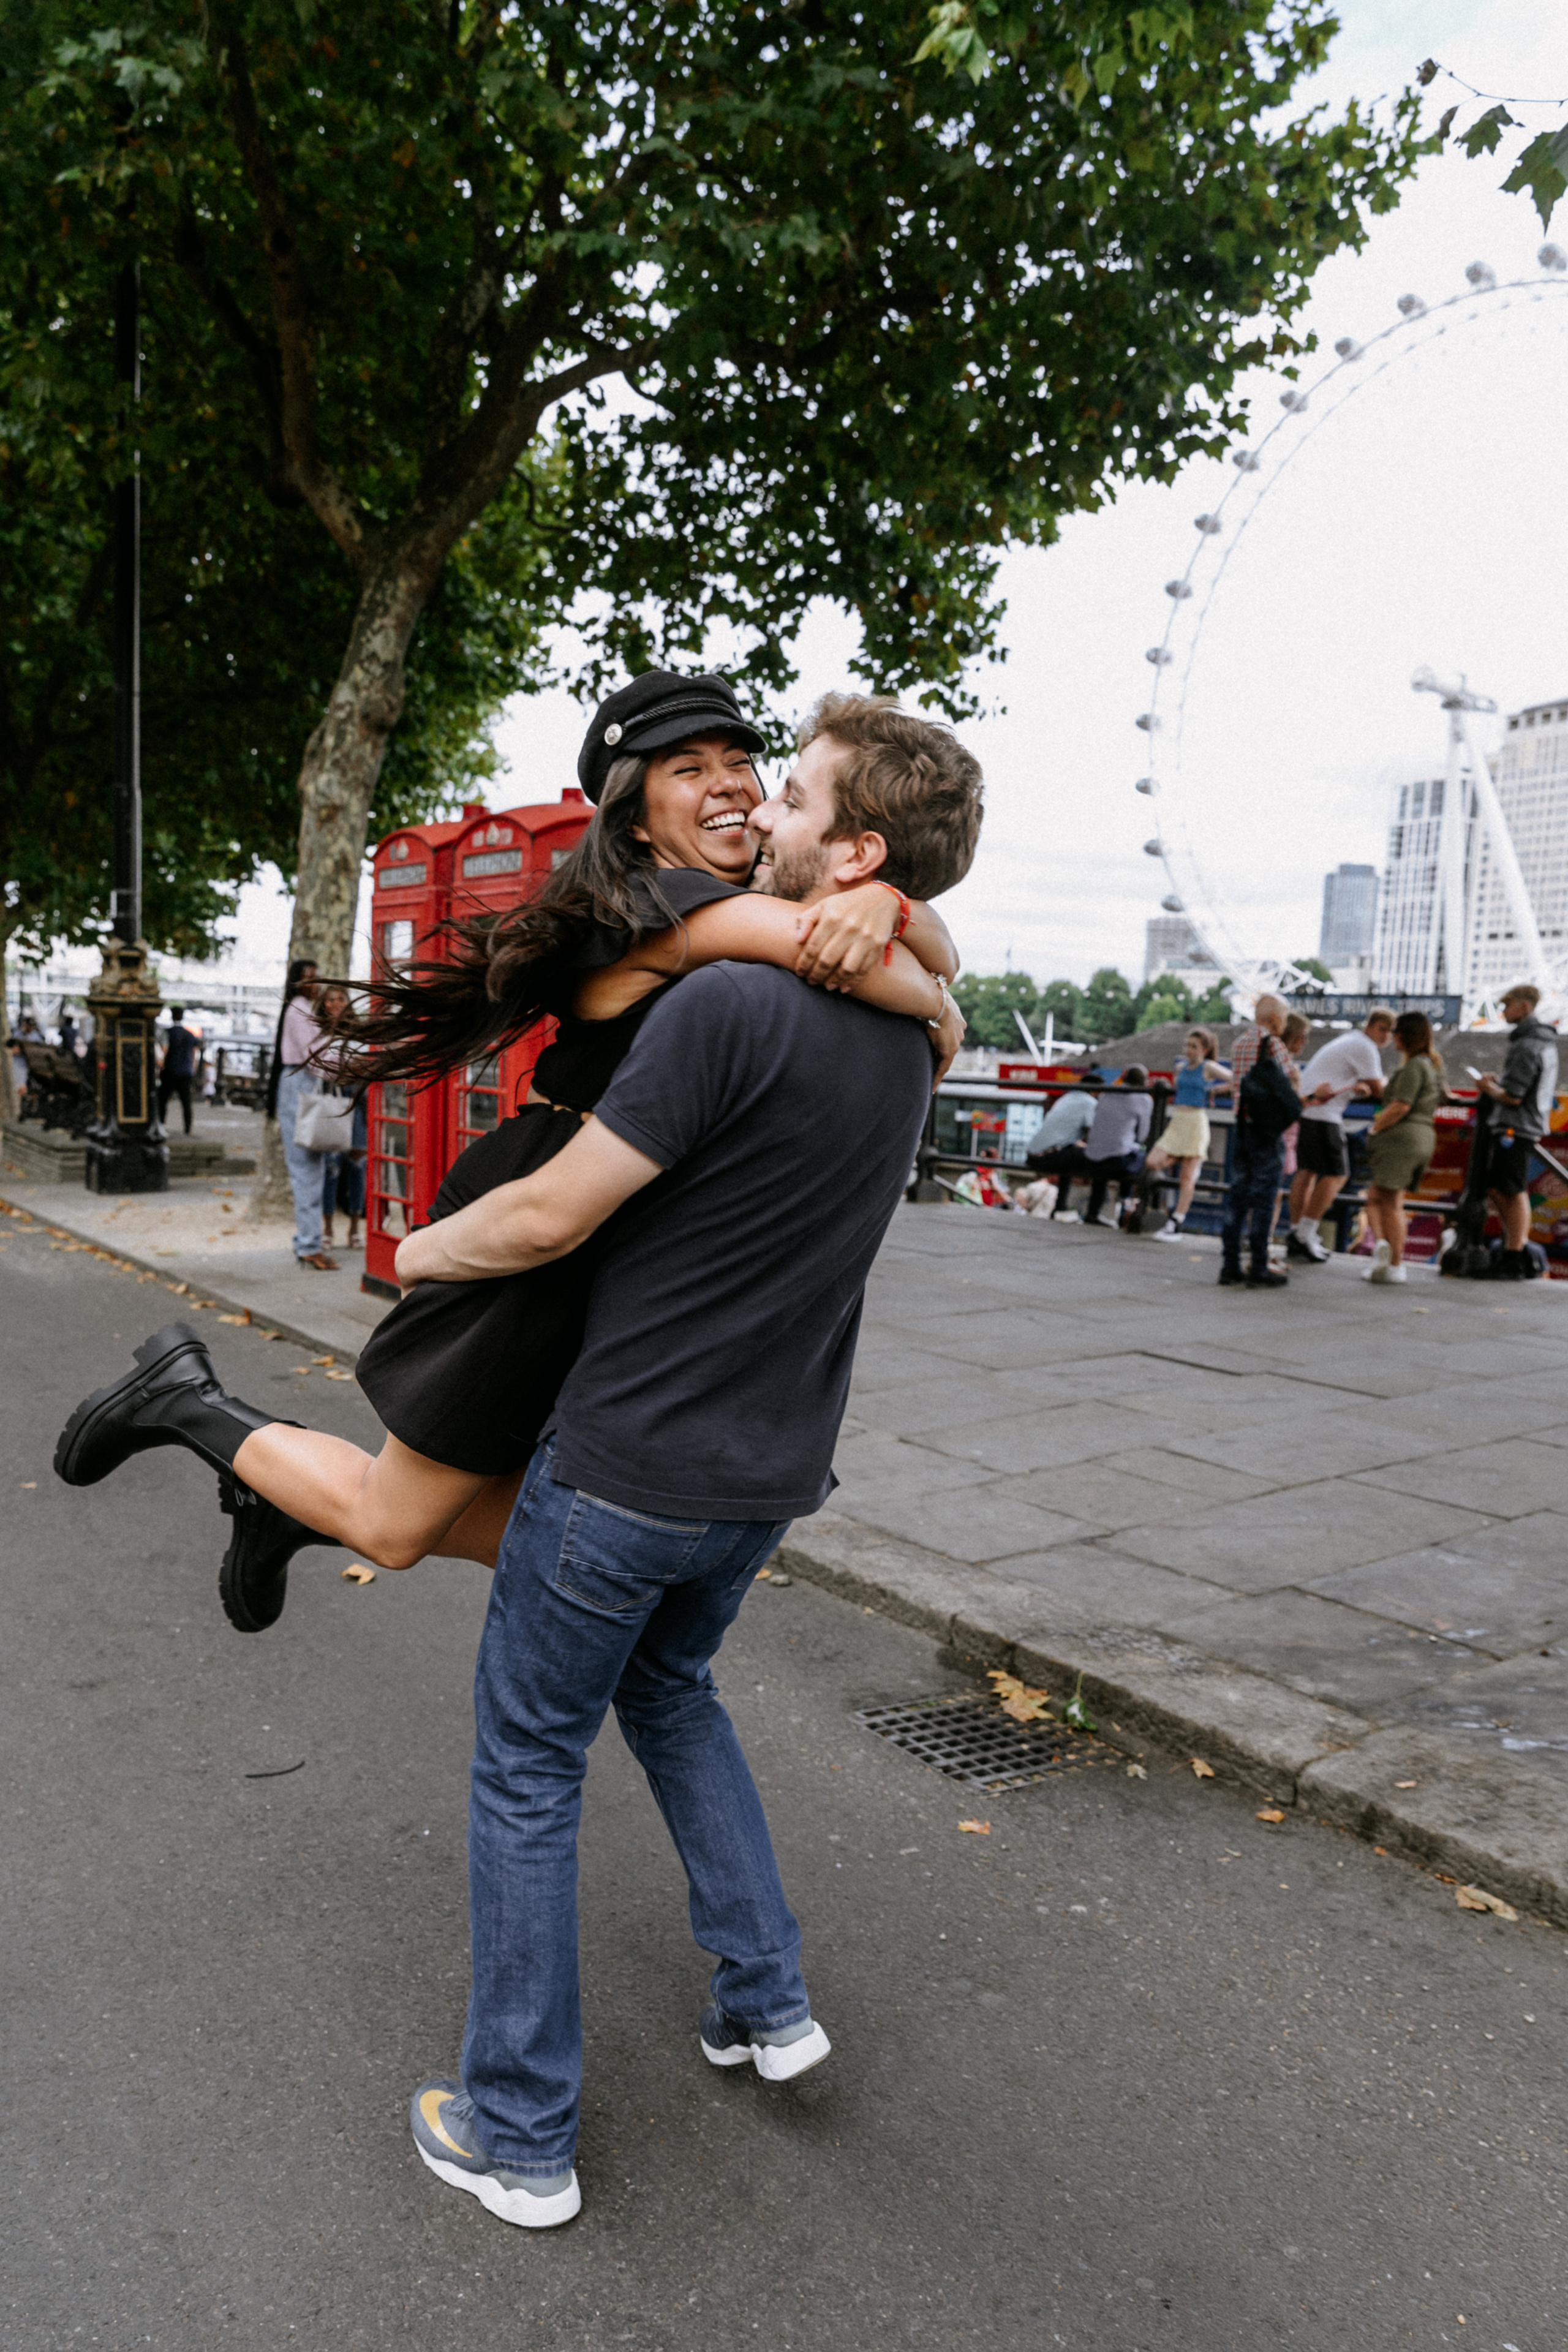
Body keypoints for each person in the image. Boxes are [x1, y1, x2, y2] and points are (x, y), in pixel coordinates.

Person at [55, 690, 984, 2230]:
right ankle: (762, 1998)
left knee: (518, 1740)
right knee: (652, 1676)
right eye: (700, 776)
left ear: (847, 841)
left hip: (616, 1424)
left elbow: (552, 1218)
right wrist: (912, 945)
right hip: (762, 1474)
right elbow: (885, 978)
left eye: (772, 785)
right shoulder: (877, 1037)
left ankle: (516, 2129)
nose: (746, 800)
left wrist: (418, 1247)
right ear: (625, 807)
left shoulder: (740, 999)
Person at [54, 677, 970, 1637]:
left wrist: (897, 915)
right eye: (687, 769)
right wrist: (928, 976)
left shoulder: (739, 893)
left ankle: (287, 1505)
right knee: (403, 1526)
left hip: (611, 1239)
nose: (732, 785)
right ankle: (187, 1402)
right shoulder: (661, 907)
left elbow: (879, 945)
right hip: (538, 1225)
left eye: (740, 762)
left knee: (562, 1525)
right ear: (637, 815)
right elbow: (858, 960)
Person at [1286, 1008, 1393, 1264]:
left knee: (1307, 1172)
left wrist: (1358, 1091)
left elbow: (1352, 1083)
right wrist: (1382, 1083)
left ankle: (1296, 1231)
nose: (1386, 1036)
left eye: (1390, 1032)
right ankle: (1305, 1233)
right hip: (1325, 1115)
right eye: (1383, 1029)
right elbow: (1380, 1090)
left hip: (1310, 1111)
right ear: (1371, 1026)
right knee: (1337, 1174)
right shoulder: (1365, 1047)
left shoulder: (1350, 1040)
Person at [1219, 994, 1306, 1289]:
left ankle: (1230, 1264)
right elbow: (1290, 1083)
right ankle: (1259, 1266)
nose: (1284, 1022)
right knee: (1265, 1199)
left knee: (1238, 1197)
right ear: (1273, 1019)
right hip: (1267, 1132)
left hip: (1241, 1126)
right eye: (1283, 1017)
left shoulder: (1239, 1044)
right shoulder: (1273, 1045)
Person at [1476, 984, 1561, 1282]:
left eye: (1507, 1005)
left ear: (1524, 1007)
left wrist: (1489, 1088)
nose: (1502, 1012)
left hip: (1516, 1125)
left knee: (1508, 1189)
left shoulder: (1527, 1044)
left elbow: (1513, 1095)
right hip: (1529, 1123)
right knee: (1508, 1187)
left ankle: (1514, 1254)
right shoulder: (1544, 1042)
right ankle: (1516, 1250)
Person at [263, 961, 337, 1271]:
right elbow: (316, 1057)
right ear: (297, 984)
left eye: (318, 977)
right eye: (310, 979)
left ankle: (310, 1241)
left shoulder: (300, 1008)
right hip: (301, 1084)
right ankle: (308, 1244)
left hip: (300, 1083)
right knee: (306, 1168)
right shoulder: (301, 1009)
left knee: (312, 1166)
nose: (316, 983)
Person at [1362, 1010, 1444, 1284]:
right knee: (1378, 1197)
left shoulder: (1412, 1067)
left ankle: (1393, 1261)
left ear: (1402, 1036)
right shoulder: (1433, 1064)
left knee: (1390, 1202)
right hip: (1424, 1137)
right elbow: (1440, 1095)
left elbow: (1401, 1105)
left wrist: (1376, 1128)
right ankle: (1383, 1249)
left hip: (1402, 1139)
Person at [1148, 1027, 1227, 1240]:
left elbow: (1233, 1078)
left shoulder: (1208, 1067)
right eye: (1187, 1045)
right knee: (1153, 1161)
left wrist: (1216, 1090)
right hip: (1178, 1120)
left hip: (1195, 1121)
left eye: (1194, 1046)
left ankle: (1177, 1220)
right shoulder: (1181, 1067)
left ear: (1205, 1050)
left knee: (1187, 1177)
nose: (1189, 1050)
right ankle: (1180, 1157)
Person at [315, 983, 366, 1251]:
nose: (336, 1004)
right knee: (331, 1169)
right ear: (324, 1005)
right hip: (331, 1099)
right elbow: (315, 1066)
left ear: (349, 1003)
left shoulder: (360, 1032)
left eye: (341, 999)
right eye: (331, 1000)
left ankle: (356, 1227)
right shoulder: (319, 1032)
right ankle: (328, 1228)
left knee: (357, 1167)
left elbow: (368, 1062)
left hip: (357, 1101)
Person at [1080, 1065, 1152, 1227]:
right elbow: (1142, 1136)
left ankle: (1093, 1212)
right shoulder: (1144, 1099)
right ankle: (1127, 1206)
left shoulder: (1107, 1093)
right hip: (1117, 1162)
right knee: (1144, 1160)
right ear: (1144, 1082)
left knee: (1109, 1158)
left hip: (1092, 1158)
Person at [1025, 1080, 1098, 1218]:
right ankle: (1092, 1212)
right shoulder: (1090, 1102)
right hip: (1047, 1157)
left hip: (1032, 1156)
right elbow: (1092, 1132)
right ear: (1095, 1091)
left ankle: (1061, 1206)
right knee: (1094, 1157)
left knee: (1070, 1157)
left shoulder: (1065, 1099)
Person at [156, 1007, 202, 1136]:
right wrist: (192, 1068)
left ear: (172, 1017)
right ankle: (188, 1128)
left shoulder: (168, 1033)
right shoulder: (190, 1034)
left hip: (170, 1071)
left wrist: (161, 1064)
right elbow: (195, 1053)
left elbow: (164, 1050)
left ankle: (161, 1125)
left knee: (163, 1101)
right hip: (186, 1072)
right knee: (186, 1102)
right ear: (182, 1017)